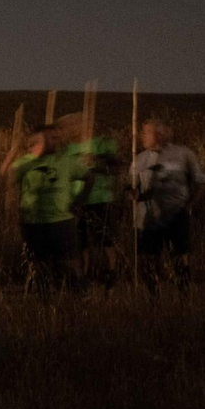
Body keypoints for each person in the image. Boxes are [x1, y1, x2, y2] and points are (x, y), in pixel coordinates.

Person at [1, 126, 88, 293]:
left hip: (62, 222)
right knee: (40, 268)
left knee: (68, 266)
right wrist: (11, 154)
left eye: (54, 138)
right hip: (33, 224)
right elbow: (1, 185)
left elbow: (88, 177)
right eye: (47, 139)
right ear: (35, 142)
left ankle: (77, 304)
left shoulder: (65, 161)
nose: (52, 142)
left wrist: (79, 201)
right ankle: (45, 308)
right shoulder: (25, 163)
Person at [131, 119, 205, 292]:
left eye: (146, 132)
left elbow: (201, 181)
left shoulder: (183, 154)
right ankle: (153, 301)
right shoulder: (139, 160)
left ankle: (184, 296)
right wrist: (132, 193)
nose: (142, 136)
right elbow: (132, 187)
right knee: (149, 259)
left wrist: (190, 204)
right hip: (149, 217)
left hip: (176, 214)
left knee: (180, 257)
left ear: (158, 135)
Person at [68, 122, 119, 290]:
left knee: (105, 241)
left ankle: (111, 274)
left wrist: (95, 160)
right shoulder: (67, 149)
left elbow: (115, 166)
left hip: (99, 199)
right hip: (77, 201)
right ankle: (83, 277)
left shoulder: (101, 143)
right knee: (79, 242)